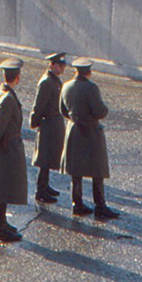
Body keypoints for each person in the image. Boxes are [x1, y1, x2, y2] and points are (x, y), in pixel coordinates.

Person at [60, 58, 119, 220]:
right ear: (88, 72)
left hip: (73, 130)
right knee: (97, 169)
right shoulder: (91, 88)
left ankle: (76, 203)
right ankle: (100, 205)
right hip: (91, 130)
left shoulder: (66, 86)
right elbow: (100, 111)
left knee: (76, 171)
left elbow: (63, 110)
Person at [0, 58, 28, 243]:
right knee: (2, 187)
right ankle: (0, 226)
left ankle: (2, 222)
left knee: (3, 185)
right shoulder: (8, 98)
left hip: (4, 145)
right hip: (7, 147)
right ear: (17, 77)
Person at [29, 52, 67, 204]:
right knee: (44, 158)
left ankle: (46, 185)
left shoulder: (55, 81)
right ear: (52, 65)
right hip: (48, 123)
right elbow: (39, 105)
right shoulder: (46, 82)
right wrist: (34, 121)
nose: (62, 68)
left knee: (51, 156)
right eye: (60, 65)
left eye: (63, 65)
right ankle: (40, 190)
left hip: (54, 122)